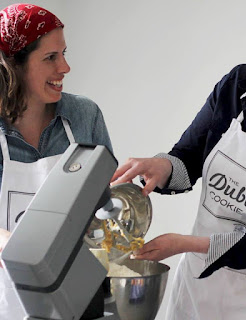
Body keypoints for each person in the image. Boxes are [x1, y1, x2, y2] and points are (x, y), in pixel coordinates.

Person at [111, 0, 246, 319]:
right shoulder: (236, 87)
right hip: (200, 292)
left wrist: (188, 243)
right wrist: (161, 167)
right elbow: (187, 163)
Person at [0, 3, 112, 319]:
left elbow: (106, 202)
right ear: (14, 65)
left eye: (64, 53)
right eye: (51, 57)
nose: (65, 67)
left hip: (77, 290)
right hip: (6, 295)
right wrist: (16, 244)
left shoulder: (84, 117)